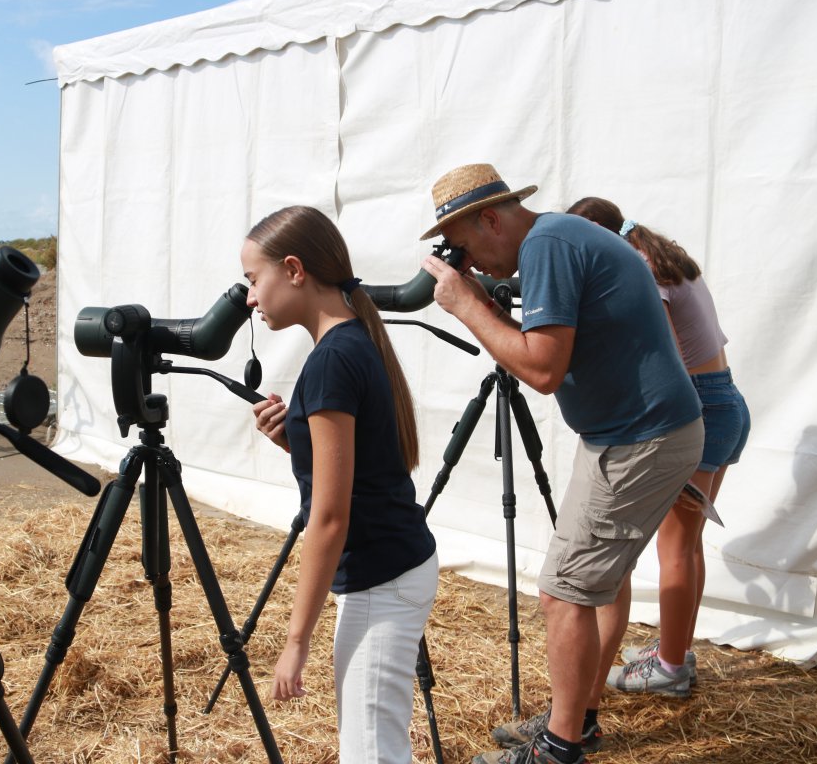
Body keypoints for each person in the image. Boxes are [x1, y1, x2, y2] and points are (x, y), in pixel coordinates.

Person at [418, 164, 704, 764]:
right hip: (627, 434)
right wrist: (480, 298)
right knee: (585, 586)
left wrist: (467, 306)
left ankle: (560, 747)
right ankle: (580, 719)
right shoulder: (558, 239)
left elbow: (543, 369)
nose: (475, 264)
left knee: (564, 593)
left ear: (491, 219)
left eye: (468, 246)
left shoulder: (547, 245)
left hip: (638, 438)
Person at [241, 205, 439, 763]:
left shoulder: (331, 361)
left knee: (371, 752)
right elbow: (363, 468)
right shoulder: (352, 341)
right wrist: (295, 440)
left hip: (383, 575)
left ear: (296, 269)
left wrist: (294, 641)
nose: (250, 299)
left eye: (254, 280)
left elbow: (330, 517)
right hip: (392, 566)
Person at [566, 196, 751, 697]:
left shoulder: (643, 270)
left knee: (674, 548)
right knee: (687, 545)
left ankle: (669, 669)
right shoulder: (663, 255)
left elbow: (664, 355)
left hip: (701, 408)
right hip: (725, 397)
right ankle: (676, 650)